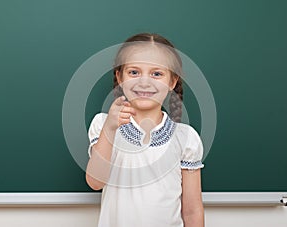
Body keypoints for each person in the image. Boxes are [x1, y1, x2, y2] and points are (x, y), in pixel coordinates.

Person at [85, 33, 205, 227]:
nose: (144, 82)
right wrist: (110, 129)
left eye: (157, 74)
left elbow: (192, 210)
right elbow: (95, 182)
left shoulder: (186, 137)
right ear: (120, 77)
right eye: (134, 72)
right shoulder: (103, 124)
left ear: (172, 82)